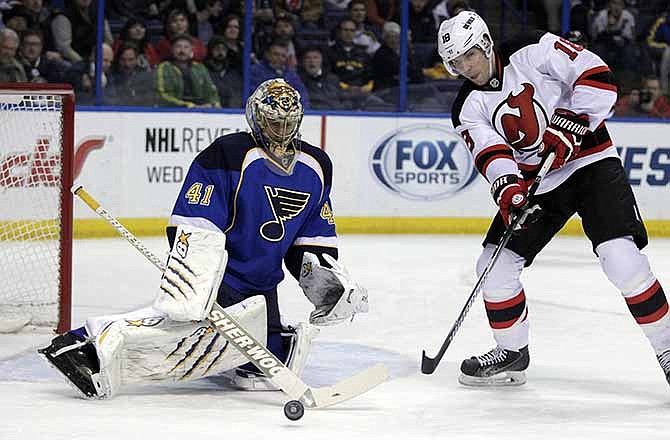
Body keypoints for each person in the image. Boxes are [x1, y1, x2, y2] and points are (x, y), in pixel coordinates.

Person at [38, 78, 369, 399]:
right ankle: (83, 343)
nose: (281, 130)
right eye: (273, 121)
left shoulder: (316, 165)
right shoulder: (228, 153)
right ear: (256, 116)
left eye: (288, 122)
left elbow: (312, 235)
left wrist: (326, 281)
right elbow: (197, 218)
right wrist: (198, 278)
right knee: (178, 330)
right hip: (222, 276)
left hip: (263, 285)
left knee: (267, 366)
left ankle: (242, 348)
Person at [437, 11, 670, 387]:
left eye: (469, 56)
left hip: (591, 161)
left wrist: (571, 122)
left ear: (485, 45)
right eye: (456, 62)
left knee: (621, 260)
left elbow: (595, 74)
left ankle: (668, 348)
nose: (466, 67)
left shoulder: (531, 48)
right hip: (539, 184)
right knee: (493, 267)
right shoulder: (466, 108)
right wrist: (510, 191)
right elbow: (492, 154)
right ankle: (512, 352)